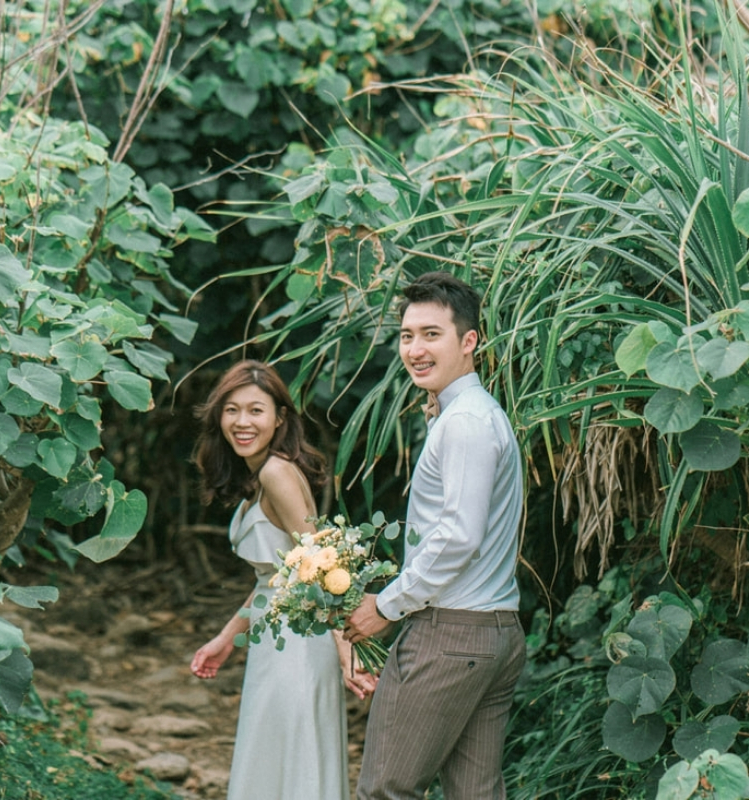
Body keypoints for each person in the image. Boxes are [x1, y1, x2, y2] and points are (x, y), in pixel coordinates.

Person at [345, 272, 526, 800]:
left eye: (431, 334)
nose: (415, 348)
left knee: (385, 791)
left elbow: (457, 537)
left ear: (469, 342)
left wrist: (389, 604)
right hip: (493, 632)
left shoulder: (466, 422)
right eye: (407, 335)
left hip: (450, 636)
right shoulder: (470, 414)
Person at [189, 360, 376, 800]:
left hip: (299, 645)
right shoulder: (262, 475)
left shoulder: (275, 472)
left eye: (256, 410)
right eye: (231, 410)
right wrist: (224, 638)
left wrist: (346, 645)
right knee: (273, 762)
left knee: (294, 762)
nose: (242, 421)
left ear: (279, 417)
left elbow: (321, 566)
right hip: (278, 637)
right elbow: (275, 582)